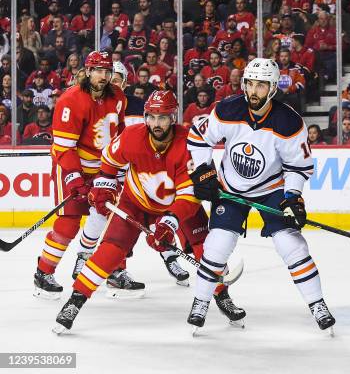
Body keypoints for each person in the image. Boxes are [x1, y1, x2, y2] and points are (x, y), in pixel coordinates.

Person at [53, 90, 245, 332]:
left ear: (172, 117)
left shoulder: (188, 144)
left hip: (179, 206)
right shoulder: (132, 136)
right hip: (135, 203)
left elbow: (189, 196)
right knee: (108, 252)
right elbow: (109, 160)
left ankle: (222, 296)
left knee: (205, 249)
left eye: (162, 117)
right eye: (151, 117)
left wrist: (168, 224)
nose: (156, 123)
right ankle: (75, 301)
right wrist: (104, 186)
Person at [186, 58, 335, 332]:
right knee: (217, 245)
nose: (254, 91)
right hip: (230, 189)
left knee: (292, 245)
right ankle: (200, 301)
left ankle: (317, 303)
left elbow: (298, 167)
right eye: (250, 84)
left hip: (271, 190)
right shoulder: (228, 109)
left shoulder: (289, 122)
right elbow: (198, 137)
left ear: (273, 88)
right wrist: (204, 172)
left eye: (261, 85)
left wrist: (293, 197)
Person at [33, 51, 142, 300]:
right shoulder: (71, 100)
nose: (103, 76)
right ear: (88, 71)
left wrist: (124, 160)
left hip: (105, 167)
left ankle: (114, 270)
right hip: (73, 164)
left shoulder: (118, 97)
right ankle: (44, 271)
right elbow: (63, 147)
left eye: (107, 71)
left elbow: (121, 132)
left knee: (115, 220)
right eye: (98, 71)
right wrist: (75, 178)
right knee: (69, 223)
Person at [110, 62, 190, 283]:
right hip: (117, 172)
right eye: (108, 78)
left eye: (116, 79)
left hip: (146, 170)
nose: (112, 83)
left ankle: (170, 256)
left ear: (125, 82)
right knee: (120, 223)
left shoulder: (139, 107)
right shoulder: (98, 106)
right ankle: (116, 268)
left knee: (164, 215)